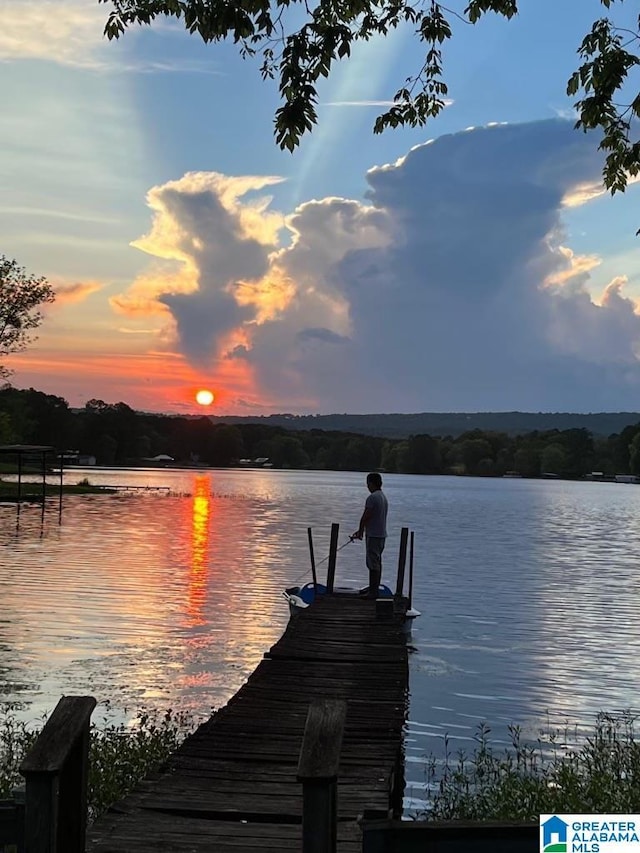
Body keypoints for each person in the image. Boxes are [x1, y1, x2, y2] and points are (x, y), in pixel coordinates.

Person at [352, 472, 388, 599]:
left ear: (371, 483)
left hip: (373, 535)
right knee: (377, 563)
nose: (367, 486)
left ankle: (373, 593)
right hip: (382, 535)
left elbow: (366, 516)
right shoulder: (383, 496)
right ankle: (374, 589)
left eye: (368, 484)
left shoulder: (372, 498)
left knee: (372, 564)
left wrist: (360, 530)